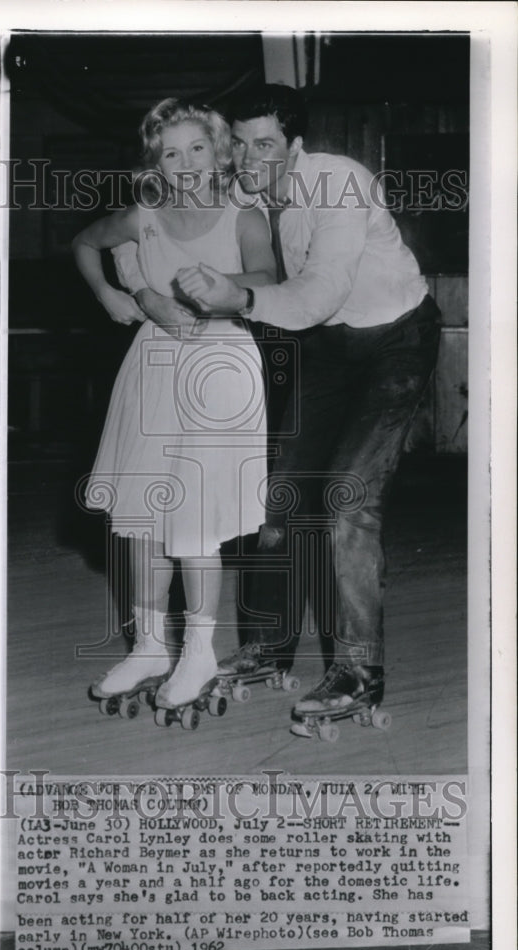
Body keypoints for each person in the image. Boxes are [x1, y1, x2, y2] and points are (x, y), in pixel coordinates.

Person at [156, 84, 442, 731]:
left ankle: (359, 671)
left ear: (294, 146)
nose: (251, 158)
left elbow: (313, 294)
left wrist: (238, 298)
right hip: (331, 346)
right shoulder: (247, 192)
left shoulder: (338, 182)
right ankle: (266, 645)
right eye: (240, 145)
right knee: (279, 493)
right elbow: (181, 217)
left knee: (346, 499)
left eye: (265, 145)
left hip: (395, 339)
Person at [72, 97, 276, 712]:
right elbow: (85, 243)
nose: (185, 162)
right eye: (170, 152)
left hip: (220, 368)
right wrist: (113, 293)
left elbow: (267, 276)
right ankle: (150, 645)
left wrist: (225, 290)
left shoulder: (244, 214)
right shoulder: (144, 217)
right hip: (154, 364)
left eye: (197, 148)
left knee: (194, 522)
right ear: (155, 164)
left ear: (219, 153)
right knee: (140, 518)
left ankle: (198, 652)